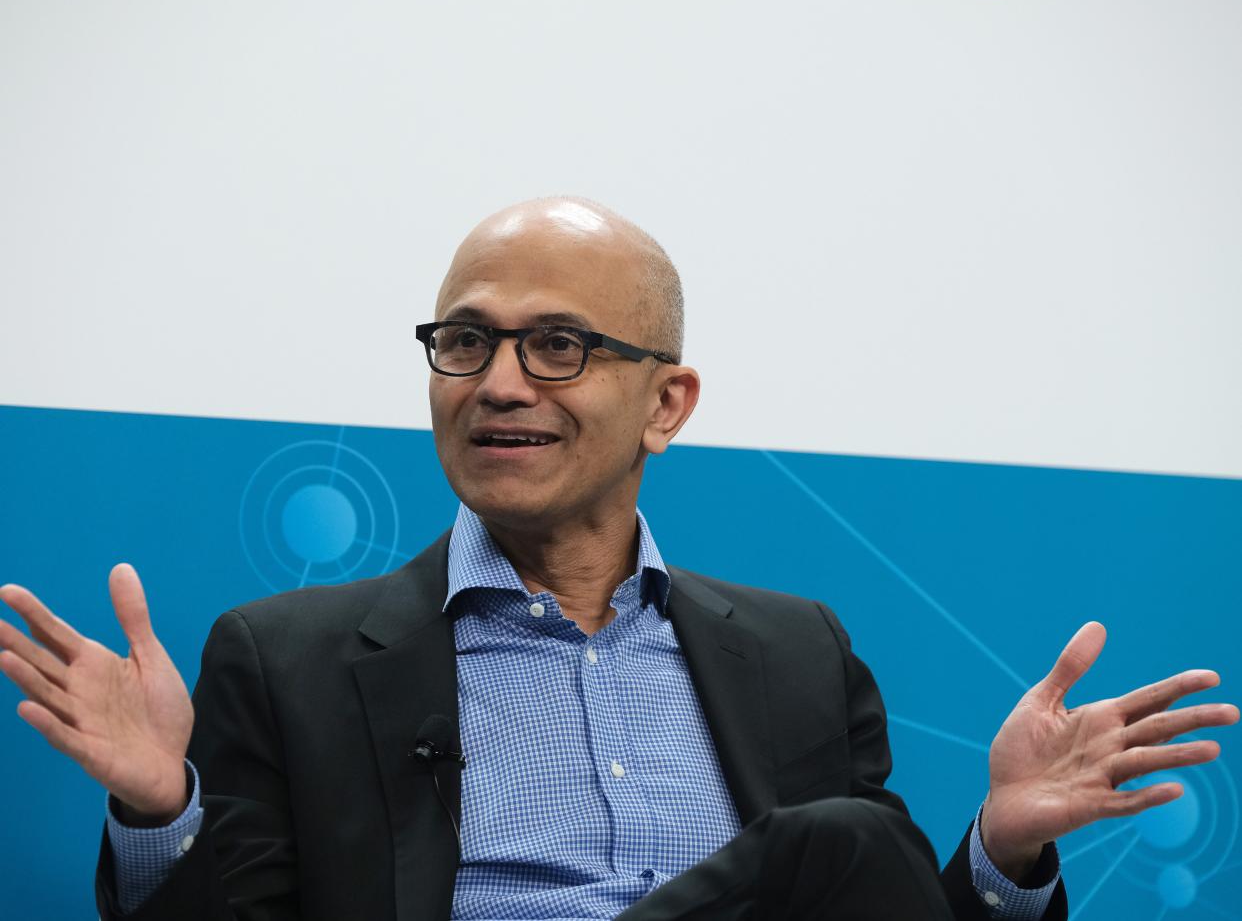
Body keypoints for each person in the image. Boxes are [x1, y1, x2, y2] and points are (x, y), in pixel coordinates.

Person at [0, 197, 1236, 921]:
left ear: (667, 401)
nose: (495, 384)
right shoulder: (289, 657)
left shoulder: (799, 650)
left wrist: (1000, 854)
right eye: (464, 342)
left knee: (853, 847)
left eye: (556, 346)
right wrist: (159, 810)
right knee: (843, 840)